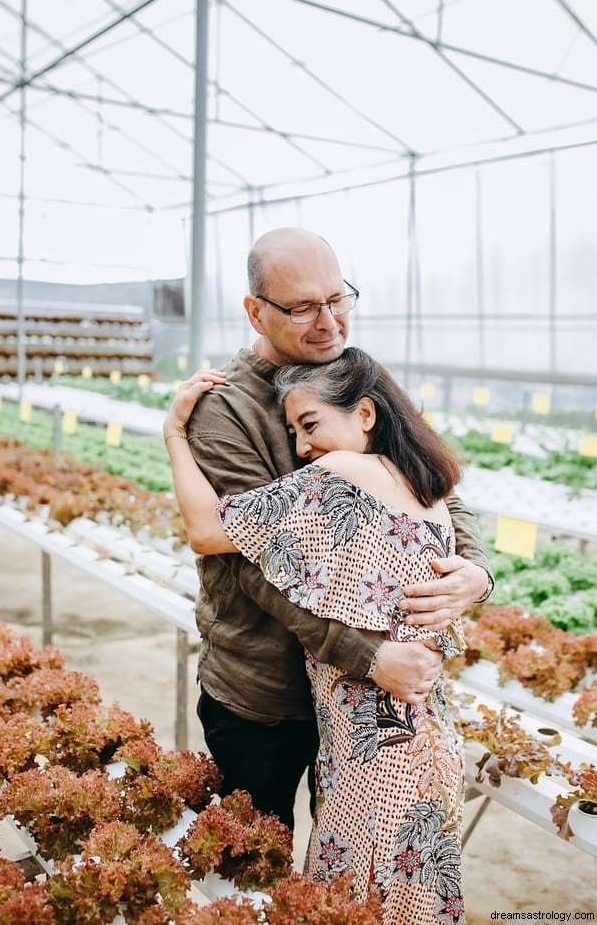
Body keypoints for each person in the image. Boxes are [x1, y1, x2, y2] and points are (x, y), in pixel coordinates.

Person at [179, 227, 492, 830]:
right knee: (258, 868)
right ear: (255, 312)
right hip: (268, 693)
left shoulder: (353, 376)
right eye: (301, 307)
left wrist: (475, 571)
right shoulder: (225, 409)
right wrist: (369, 656)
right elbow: (254, 566)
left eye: (337, 299)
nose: (327, 322)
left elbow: (430, 479)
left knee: (350, 877)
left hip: (366, 703)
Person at [163, 347, 467, 924]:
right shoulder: (426, 489)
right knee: (408, 905)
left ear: (367, 416)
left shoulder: (345, 475)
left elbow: (206, 530)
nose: (302, 448)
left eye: (310, 425)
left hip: (373, 749)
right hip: (423, 737)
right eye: (295, 431)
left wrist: (175, 433)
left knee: (350, 906)